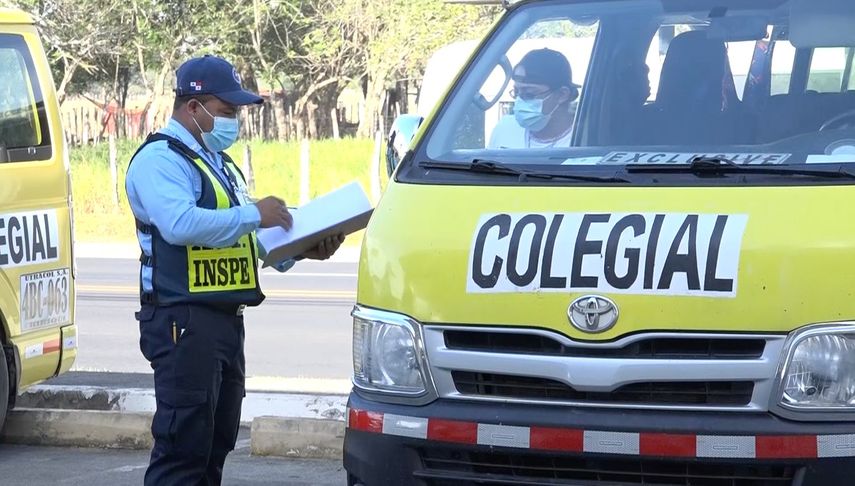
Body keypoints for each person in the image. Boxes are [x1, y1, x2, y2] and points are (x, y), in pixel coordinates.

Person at [124, 54, 344, 486]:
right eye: (227, 112)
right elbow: (181, 224)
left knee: (214, 446)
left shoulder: (219, 164)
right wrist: (255, 216)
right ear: (193, 107)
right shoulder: (160, 160)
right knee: (182, 450)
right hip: (181, 321)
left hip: (223, 323)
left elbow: (244, 238)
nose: (235, 121)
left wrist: (300, 250)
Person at [488, 48, 580, 149]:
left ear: (562, 95)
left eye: (529, 94)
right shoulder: (505, 129)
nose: (520, 101)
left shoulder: (584, 139)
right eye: (516, 92)